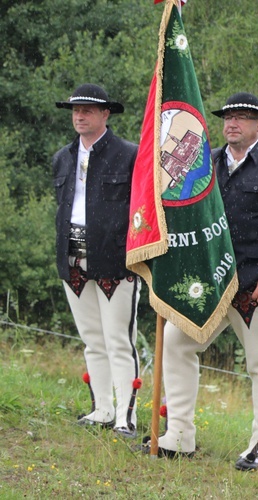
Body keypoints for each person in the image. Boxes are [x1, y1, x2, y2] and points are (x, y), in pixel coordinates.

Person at [151, 93, 258, 465]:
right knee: (176, 343)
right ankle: (179, 435)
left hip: (256, 286)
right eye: (228, 117)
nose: (232, 123)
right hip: (209, 282)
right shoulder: (204, 162)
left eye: (242, 118)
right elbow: (186, 215)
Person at [53, 83, 141, 437]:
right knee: (92, 338)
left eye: (88, 109)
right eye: (75, 110)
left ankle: (125, 415)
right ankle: (102, 408)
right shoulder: (62, 157)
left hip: (115, 260)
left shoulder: (130, 155)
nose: (79, 115)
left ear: (106, 113)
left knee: (119, 338)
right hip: (72, 256)